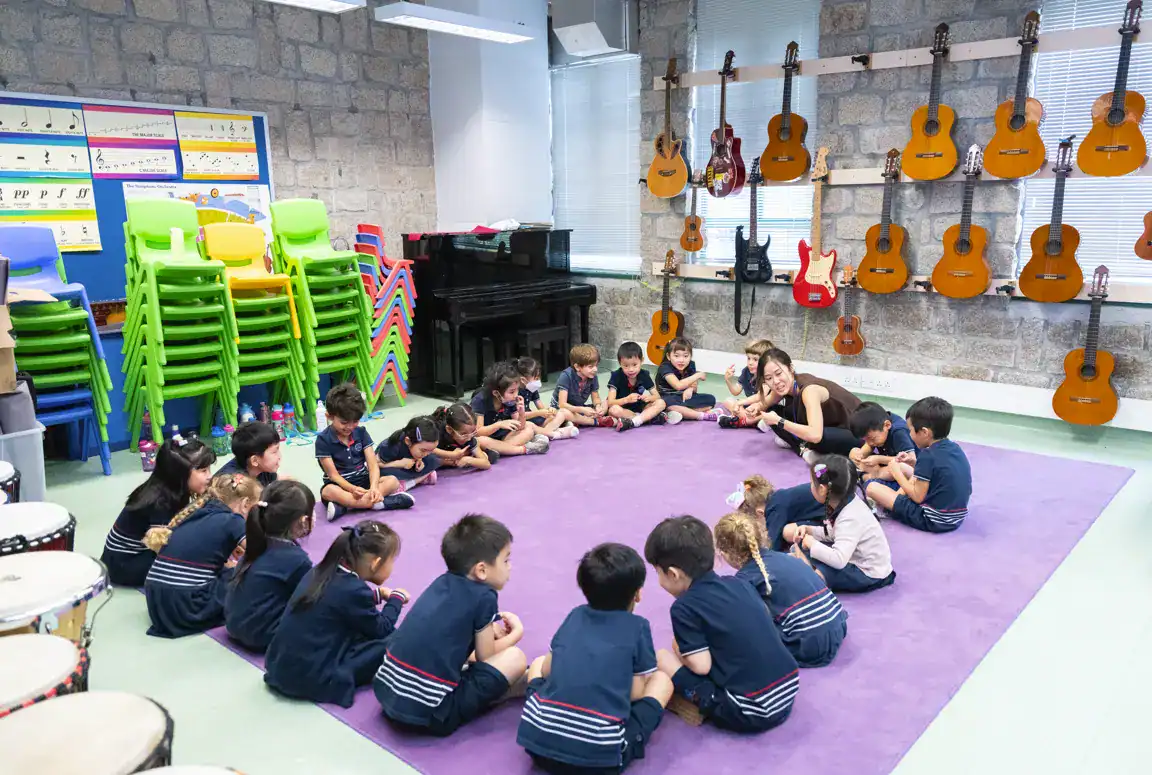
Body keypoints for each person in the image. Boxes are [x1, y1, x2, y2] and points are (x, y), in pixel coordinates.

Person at [517, 543, 673, 773]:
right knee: (662, 682)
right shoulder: (638, 627)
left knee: (539, 662)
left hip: (537, 747)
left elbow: (548, 668)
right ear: (638, 594)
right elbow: (637, 692)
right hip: (599, 762)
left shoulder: (575, 615)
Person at [375, 514, 527, 736]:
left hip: (388, 694)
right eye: (506, 560)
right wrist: (516, 633)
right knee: (516, 658)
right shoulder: (485, 596)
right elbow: (485, 656)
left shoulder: (442, 582)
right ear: (482, 570)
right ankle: (502, 692)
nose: (510, 567)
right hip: (432, 715)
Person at [645, 515, 799, 733]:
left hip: (751, 709)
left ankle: (693, 704)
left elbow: (701, 666)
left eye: (658, 572)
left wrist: (682, 654)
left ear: (673, 574)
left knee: (663, 657)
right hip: (788, 686)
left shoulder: (684, 608)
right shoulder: (739, 583)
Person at [265, 520, 409, 708]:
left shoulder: (320, 571)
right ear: (376, 563)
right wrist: (396, 600)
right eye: (391, 561)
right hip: (311, 679)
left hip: (279, 667)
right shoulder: (354, 590)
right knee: (397, 639)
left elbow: (336, 602)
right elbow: (382, 628)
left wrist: (376, 595)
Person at [714, 512, 847, 668]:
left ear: (725, 554)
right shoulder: (786, 557)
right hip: (838, 627)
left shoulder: (745, 580)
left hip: (808, 646)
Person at [142, 473, 261, 638]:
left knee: (229, 571)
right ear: (245, 504)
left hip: (158, 604)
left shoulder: (197, 512)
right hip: (187, 608)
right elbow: (262, 553)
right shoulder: (233, 520)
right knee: (247, 574)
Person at [101, 438, 216, 587]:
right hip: (126, 565)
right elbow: (163, 544)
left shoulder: (170, 488)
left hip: (119, 559)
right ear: (179, 473)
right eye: (203, 471)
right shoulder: (161, 502)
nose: (209, 476)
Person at [225, 480, 316, 652]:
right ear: (304, 521)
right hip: (262, 636)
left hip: (234, 626)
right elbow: (311, 600)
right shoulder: (296, 559)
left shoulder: (256, 542)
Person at [784, 456, 896, 594]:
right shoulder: (841, 502)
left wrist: (812, 543)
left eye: (812, 483)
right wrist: (809, 530)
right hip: (852, 557)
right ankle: (805, 565)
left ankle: (810, 574)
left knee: (827, 570)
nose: (810, 486)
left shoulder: (850, 517)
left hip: (869, 573)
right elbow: (833, 533)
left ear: (822, 489)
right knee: (803, 544)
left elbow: (839, 560)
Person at [866, 397, 973, 533]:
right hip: (956, 517)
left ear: (924, 432)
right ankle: (895, 500)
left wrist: (896, 474)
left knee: (872, 488)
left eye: (910, 430)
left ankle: (890, 507)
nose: (909, 435)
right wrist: (913, 462)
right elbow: (937, 470)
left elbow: (917, 497)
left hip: (933, 519)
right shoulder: (954, 447)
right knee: (905, 468)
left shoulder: (927, 455)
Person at [316, 383, 413, 522]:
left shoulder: (361, 433)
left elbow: (373, 465)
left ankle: (345, 507)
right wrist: (352, 489)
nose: (350, 427)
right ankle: (381, 503)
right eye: (344, 422)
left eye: (355, 421)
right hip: (341, 486)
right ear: (329, 416)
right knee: (328, 491)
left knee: (392, 481)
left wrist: (374, 487)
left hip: (364, 481)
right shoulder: (323, 440)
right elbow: (333, 475)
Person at [755, 348, 863, 460]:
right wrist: (748, 409)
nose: (776, 381)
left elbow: (816, 435)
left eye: (778, 373)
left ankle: (809, 449)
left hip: (855, 433)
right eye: (769, 378)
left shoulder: (809, 391)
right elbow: (764, 405)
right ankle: (804, 448)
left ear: (791, 368)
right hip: (830, 427)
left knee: (818, 437)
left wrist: (779, 421)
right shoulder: (789, 384)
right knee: (773, 410)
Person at [471, 362, 551, 456]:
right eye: (512, 391)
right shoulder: (480, 400)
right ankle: (523, 449)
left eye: (517, 390)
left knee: (528, 429)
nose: (516, 394)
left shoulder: (511, 400)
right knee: (480, 441)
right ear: (496, 393)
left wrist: (521, 413)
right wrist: (499, 425)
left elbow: (520, 426)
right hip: (487, 437)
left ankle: (499, 450)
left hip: (504, 437)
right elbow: (478, 432)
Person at [605, 341, 678, 432]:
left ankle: (634, 421)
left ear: (642, 360)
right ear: (620, 363)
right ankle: (647, 418)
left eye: (635, 365)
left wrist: (649, 398)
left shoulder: (644, 375)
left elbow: (657, 396)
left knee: (661, 402)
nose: (631, 370)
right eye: (626, 366)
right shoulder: (616, 376)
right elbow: (610, 402)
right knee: (613, 410)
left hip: (640, 408)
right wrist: (626, 399)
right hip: (623, 409)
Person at [552, 344, 618, 429]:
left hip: (579, 407)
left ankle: (578, 421)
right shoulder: (566, 376)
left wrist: (598, 406)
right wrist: (582, 410)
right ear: (577, 367)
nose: (595, 369)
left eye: (596, 365)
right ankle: (595, 421)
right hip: (562, 409)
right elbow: (562, 405)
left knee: (606, 402)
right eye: (591, 367)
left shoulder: (592, 376)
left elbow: (595, 397)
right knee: (564, 413)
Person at [848, 402, 916, 482]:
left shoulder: (899, 432)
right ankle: (871, 474)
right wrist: (860, 455)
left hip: (909, 467)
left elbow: (910, 460)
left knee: (900, 467)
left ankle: (870, 476)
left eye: (872, 439)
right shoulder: (879, 425)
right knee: (854, 452)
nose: (869, 443)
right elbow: (869, 446)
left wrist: (880, 459)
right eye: (865, 440)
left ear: (887, 425)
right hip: (887, 460)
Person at [515, 356, 578, 439]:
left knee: (554, 416)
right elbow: (518, 416)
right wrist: (539, 413)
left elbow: (540, 406)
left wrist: (548, 411)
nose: (538, 381)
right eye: (536, 378)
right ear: (523, 380)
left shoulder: (531, 389)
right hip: (521, 421)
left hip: (532, 417)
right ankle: (554, 433)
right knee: (529, 427)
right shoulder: (515, 393)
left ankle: (545, 431)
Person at [655, 338, 717, 422]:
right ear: (668, 356)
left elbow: (694, 387)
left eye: (685, 356)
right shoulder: (665, 367)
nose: (681, 360)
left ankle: (682, 414)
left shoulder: (691, 365)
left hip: (683, 399)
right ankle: (700, 415)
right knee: (666, 403)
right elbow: (678, 385)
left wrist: (690, 389)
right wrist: (697, 375)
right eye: (676, 356)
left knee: (711, 399)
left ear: (690, 356)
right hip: (668, 398)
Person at [374, 416, 443, 491]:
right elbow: (373, 465)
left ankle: (406, 481)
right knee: (384, 473)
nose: (427, 453)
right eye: (423, 450)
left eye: (430, 450)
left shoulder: (417, 446)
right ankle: (410, 483)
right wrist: (400, 463)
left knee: (433, 459)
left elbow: (422, 454)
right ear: (408, 441)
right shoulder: (391, 446)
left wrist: (419, 460)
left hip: (407, 466)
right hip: (389, 467)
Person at [719, 338, 774, 428]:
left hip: (764, 407)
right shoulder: (746, 371)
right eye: (748, 358)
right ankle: (755, 421)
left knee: (767, 410)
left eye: (755, 359)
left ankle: (747, 421)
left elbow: (759, 396)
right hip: (750, 407)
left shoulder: (767, 374)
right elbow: (736, 391)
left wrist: (740, 403)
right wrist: (728, 380)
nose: (750, 363)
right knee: (727, 401)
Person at [431, 403, 496, 470]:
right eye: (464, 434)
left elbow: (486, 464)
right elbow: (429, 450)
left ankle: (478, 453)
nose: (469, 438)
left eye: (473, 432)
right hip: (431, 457)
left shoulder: (469, 436)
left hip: (452, 453)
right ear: (449, 429)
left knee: (480, 453)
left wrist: (468, 460)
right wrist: (451, 455)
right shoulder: (436, 431)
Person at [215, 421, 280, 486]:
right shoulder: (234, 483)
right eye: (274, 452)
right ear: (254, 460)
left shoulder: (263, 467)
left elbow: (279, 481)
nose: (279, 456)